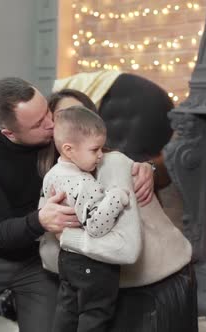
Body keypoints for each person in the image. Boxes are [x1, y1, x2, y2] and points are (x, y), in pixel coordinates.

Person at [0, 78, 154, 332]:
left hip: (39, 257)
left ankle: (9, 305)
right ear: (10, 133)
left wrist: (143, 168)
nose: (51, 124)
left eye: (48, 112)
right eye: (39, 123)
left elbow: (100, 151)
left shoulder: (59, 136)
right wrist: (39, 220)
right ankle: (3, 305)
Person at [40, 90, 197, 331]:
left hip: (158, 286)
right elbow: (49, 257)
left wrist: (68, 237)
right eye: (64, 116)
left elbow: (125, 250)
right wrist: (44, 220)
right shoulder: (57, 175)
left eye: (84, 115)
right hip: (107, 287)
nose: (76, 122)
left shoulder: (113, 164)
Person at [43, 106, 141, 331]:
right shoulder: (84, 183)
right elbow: (96, 227)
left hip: (66, 260)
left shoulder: (52, 174)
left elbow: (43, 208)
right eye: (95, 149)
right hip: (93, 264)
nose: (100, 155)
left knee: (67, 310)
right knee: (95, 315)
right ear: (69, 149)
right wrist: (117, 197)